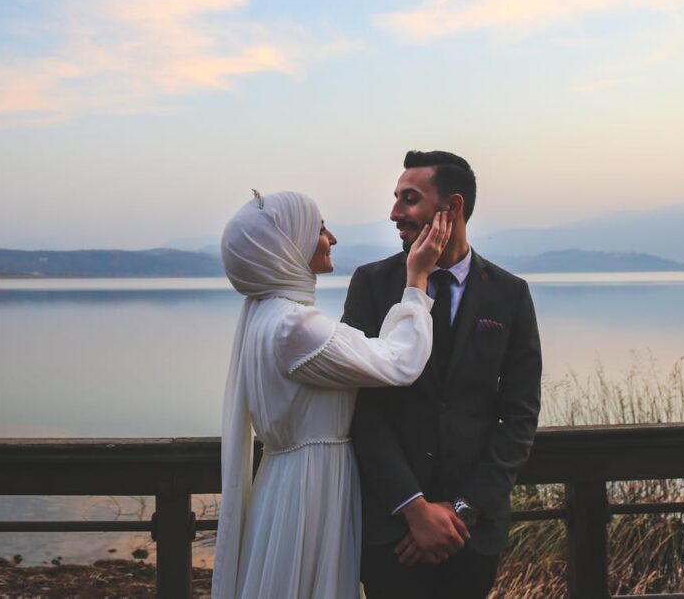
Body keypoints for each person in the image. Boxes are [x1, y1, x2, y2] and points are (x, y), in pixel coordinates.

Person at [213, 189, 452, 599]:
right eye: (320, 229)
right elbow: (399, 362)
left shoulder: (263, 317)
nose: (331, 238)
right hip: (312, 488)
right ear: (284, 247)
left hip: (285, 480)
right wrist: (416, 281)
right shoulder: (295, 327)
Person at [343, 151, 543, 599]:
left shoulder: (510, 294)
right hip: (391, 533)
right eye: (396, 199)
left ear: (451, 206)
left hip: (470, 535)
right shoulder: (372, 284)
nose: (395, 213)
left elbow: (520, 413)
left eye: (409, 199)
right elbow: (360, 405)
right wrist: (414, 510)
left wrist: (459, 512)